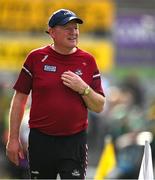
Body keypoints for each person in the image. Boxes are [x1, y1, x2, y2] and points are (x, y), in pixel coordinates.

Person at [6, 9, 105, 179]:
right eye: (67, 28)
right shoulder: (36, 58)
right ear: (52, 32)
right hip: (41, 140)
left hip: (74, 141)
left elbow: (99, 106)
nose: (73, 32)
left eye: (75, 28)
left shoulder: (88, 61)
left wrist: (83, 88)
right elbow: (19, 99)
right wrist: (13, 139)